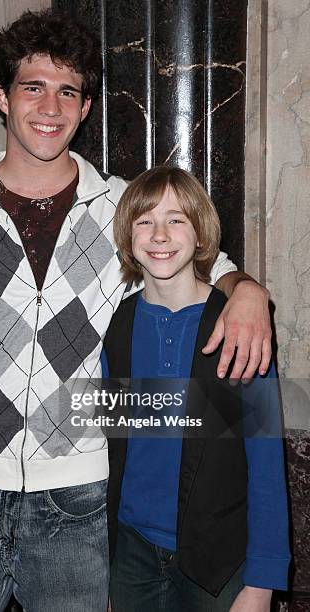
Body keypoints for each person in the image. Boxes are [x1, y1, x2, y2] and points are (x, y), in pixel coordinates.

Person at [0, 8, 272, 612]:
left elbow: (204, 255)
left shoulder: (121, 209)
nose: (50, 107)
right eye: (33, 87)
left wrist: (249, 290)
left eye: (68, 91)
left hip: (79, 497)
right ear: (1, 96)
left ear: (86, 107)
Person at [102, 166, 290, 611]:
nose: (160, 234)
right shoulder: (117, 326)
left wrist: (261, 583)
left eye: (176, 219)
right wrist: (106, 567)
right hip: (131, 554)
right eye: (144, 220)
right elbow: (111, 450)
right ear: (128, 238)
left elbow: (266, 464)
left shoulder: (240, 327)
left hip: (218, 562)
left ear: (201, 233)